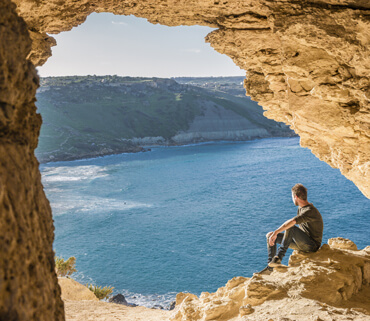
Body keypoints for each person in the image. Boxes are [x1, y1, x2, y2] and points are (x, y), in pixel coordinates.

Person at [257, 183, 323, 274]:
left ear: (296, 197)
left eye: (292, 196)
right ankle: (270, 268)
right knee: (270, 236)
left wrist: (276, 232)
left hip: (312, 245)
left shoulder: (310, 211)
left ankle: (278, 258)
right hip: (301, 242)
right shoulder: (301, 208)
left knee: (290, 226)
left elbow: (292, 222)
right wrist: (274, 234)